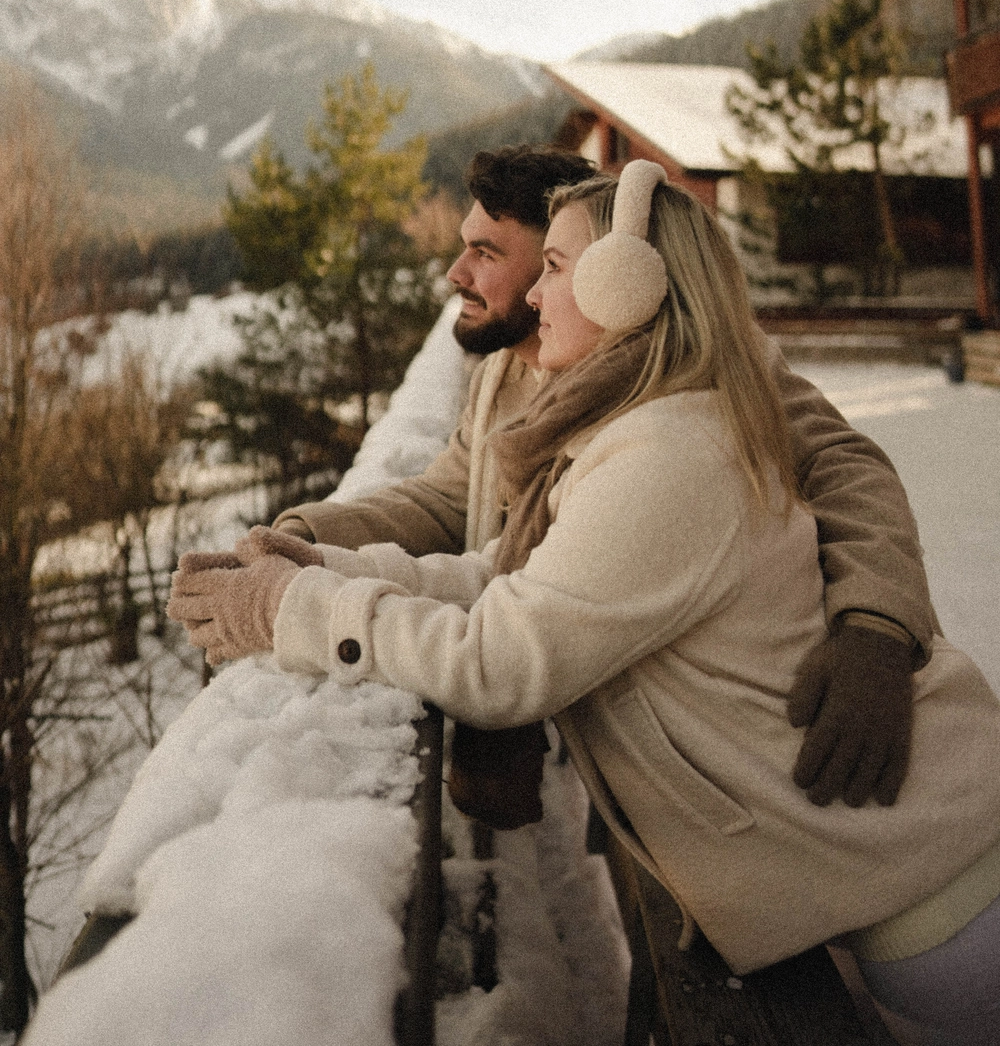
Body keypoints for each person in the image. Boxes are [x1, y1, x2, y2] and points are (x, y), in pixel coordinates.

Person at [171, 164, 1000, 1043]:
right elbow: (500, 564)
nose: (524, 292)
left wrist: (876, 625)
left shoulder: (674, 443)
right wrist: (319, 559)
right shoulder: (615, 412)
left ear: (626, 280)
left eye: (544, 264)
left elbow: (499, 660)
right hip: (865, 862)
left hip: (931, 883)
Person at [274, 146, 936, 805]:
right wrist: (307, 532)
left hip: (757, 753)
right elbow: (451, 496)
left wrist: (874, 626)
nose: (456, 274)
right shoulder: (501, 376)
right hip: (626, 733)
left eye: (488, 254)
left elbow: (848, 467)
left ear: (605, 269)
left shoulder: (709, 370)